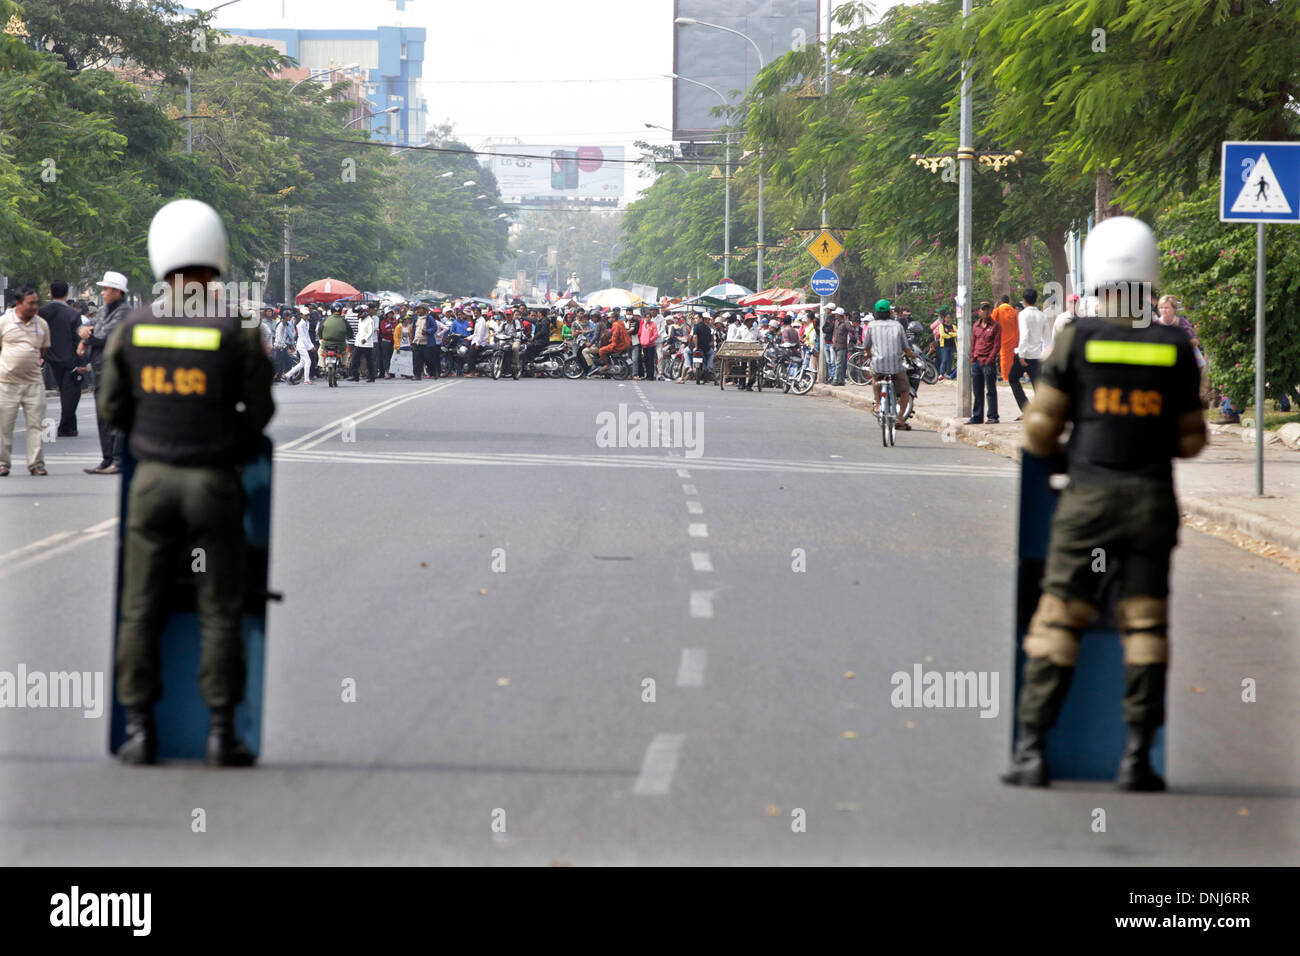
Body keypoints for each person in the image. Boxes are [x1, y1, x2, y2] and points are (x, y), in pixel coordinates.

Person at [1002, 216, 1206, 792]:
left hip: (1086, 500)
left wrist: (1073, 442)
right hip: (1149, 502)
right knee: (1144, 624)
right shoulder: (1172, 345)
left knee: (1059, 617)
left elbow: (1039, 430)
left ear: (1094, 274)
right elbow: (1191, 440)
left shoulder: (1079, 337)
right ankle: (1137, 759)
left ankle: (1033, 752)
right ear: (1149, 274)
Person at [99, 198, 275, 766]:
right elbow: (260, 411)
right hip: (215, 483)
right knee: (221, 608)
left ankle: (141, 732)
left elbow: (112, 407)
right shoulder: (240, 323)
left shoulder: (134, 322)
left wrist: (148, 439)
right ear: (218, 257)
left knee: (141, 606)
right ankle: (222, 733)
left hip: (150, 482)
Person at [81, 271, 131, 474]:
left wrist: (86, 337)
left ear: (117, 292)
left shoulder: (124, 312)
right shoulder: (104, 310)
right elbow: (87, 329)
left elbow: (101, 336)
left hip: (115, 370)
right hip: (100, 368)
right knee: (102, 415)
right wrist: (85, 334)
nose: (103, 293)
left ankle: (118, 459)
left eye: (106, 289)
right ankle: (106, 458)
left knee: (115, 414)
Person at [0, 288, 51, 476]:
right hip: (7, 382)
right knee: (4, 426)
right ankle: (2, 464)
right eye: (30, 303)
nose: (34, 307)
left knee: (36, 425)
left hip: (34, 382)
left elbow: (43, 350)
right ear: (19, 303)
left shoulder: (42, 325)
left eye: (36, 302)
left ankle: (36, 464)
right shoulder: (4, 322)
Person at [38, 281, 85, 437]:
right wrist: (81, 362)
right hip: (68, 359)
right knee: (71, 392)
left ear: (50, 293)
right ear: (67, 294)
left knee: (67, 392)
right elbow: (78, 339)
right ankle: (66, 426)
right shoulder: (73, 314)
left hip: (48, 357)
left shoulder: (42, 312)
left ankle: (70, 426)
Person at [863, 299, 917, 429]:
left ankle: (877, 404)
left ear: (876, 312)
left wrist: (869, 354)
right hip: (896, 366)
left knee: (875, 379)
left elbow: (866, 346)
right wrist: (911, 355)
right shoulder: (897, 326)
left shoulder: (871, 326)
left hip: (878, 365)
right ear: (890, 312)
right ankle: (900, 419)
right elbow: (905, 347)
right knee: (905, 390)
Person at [1010, 288, 1050, 416]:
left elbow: (1024, 335)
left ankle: (1026, 409)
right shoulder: (1042, 315)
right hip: (1037, 355)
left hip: (1025, 354)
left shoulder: (1023, 314)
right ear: (1036, 300)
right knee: (1038, 385)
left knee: (1013, 378)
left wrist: (1021, 355)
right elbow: (1047, 338)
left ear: (1024, 300)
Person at [968, 301, 1001, 424]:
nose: (986, 311)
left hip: (988, 362)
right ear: (979, 311)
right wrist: (972, 358)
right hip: (976, 361)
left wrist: (989, 360)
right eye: (984, 309)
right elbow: (973, 343)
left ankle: (992, 416)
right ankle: (977, 416)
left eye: (988, 309)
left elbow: (997, 345)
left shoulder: (996, 326)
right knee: (977, 391)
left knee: (990, 390)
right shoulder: (976, 326)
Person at [992, 294, 1020, 382]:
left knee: (1003, 358)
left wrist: (994, 309)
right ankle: (1010, 376)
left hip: (1002, 338)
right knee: (1011, 359)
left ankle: (1005, 377)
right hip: (1013, 339)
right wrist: (1017, 340)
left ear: (1001, 302)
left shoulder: (998, 310)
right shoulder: (1014, 311)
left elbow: (992, 321)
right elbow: (1017, 327)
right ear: (1009, 302)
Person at [285, 308, 314, 385]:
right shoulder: (300, 325)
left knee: (302, 363)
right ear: (301, 315)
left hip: (304, 344)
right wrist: (310, 347)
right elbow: (303, 337)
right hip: (301, 345)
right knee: (308, 361)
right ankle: (307, 380)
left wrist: (311, 345)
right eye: (305, 315)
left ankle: (288, 374)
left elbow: (307, 336)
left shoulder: (306, 323)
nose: (307, 316)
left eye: (308, 315)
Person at [350, 306, 377, 382]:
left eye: (360, 312)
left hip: (367, 344)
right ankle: (355, 376)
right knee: (355, 360)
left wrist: (365, 339)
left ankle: (372, 377)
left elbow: (370, 331)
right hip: (358, 343)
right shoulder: (360, 320)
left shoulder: (370, 320)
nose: (358, 314)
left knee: (369, 361)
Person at [935, 308, 958, 379]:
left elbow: (957, 334)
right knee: (944, 359)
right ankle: (941, 373)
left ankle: (948, 373)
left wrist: (949, 333)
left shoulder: (953, 326)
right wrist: (951, 334)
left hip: (952, 345)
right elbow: (942, 335)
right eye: (947, 318)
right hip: (944, 345)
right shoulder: (941, 326)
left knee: (950, 360)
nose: (948, 319)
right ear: (944, 318)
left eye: (949, 318)